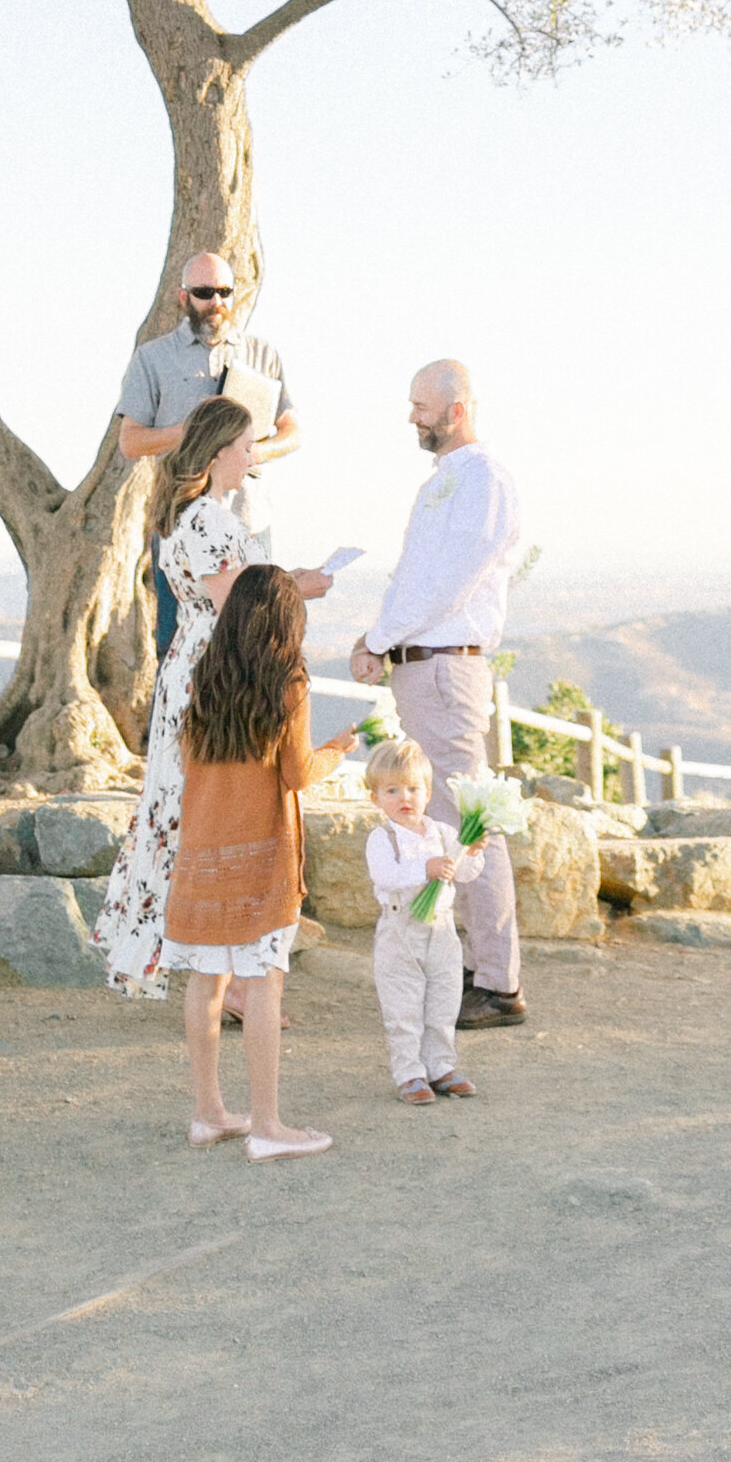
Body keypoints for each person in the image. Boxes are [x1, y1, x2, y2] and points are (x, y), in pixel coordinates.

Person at [99, 399, 341, 999]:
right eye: (245, 445)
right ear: (217, 453)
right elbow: (238, 600)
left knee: (194, 804)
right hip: (215, 668)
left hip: (203, 662)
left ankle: (217, 964)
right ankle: (219, 969)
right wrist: (298, 588)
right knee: (209, 805)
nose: (254, 455)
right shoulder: (206, 520)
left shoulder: (201, 515)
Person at [350, 358, 529, 1033]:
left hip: (448, 667)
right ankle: (468, 968)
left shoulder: (484, 479)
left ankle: (498, 982)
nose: (412, 417)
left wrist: (380, 636)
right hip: (420, 664)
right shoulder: (444, 482)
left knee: (469, 817)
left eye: (421, 406)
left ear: (455, 410)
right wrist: (383, 642)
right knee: (441, 818)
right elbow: (415, 577)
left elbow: (451, 582)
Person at [164, 563, 360, 1158]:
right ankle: (269, 1126)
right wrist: (338, 750)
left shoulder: (204, 678)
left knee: (206, 981)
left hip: (201, 855)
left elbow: (189, 762)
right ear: (286, 618)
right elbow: (297, 774)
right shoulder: (289, 683)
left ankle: (209, 1114)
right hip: (262, 860)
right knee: (264, 981)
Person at [118, 251, 299, 640]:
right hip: (181, 521)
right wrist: (193, 432)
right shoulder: (153, 358)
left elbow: (293, 432)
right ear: (183, 298)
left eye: (224, 291)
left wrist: (248, 452)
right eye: (203, 292)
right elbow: (129, 441)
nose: (215, 302)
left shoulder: (263, 356)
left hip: (249, 520)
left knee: (252, 637)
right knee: (176, 638)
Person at [362, 737, 480, 1104]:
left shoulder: (443, 834)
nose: (404, 798)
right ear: (376, 798)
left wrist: (474, 852)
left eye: (412, 788)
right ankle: (410, 1073)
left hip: (442, 928)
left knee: (444, 999)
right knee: (403, 1003)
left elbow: (465, 874)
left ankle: (441, 1065)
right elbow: (386, 876)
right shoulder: (382, 839)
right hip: (400, 931)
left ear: (428, 793)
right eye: (392, 790)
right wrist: (424, 869)